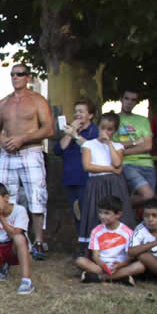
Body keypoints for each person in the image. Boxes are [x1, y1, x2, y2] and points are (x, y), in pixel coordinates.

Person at [0, 63, 55, 259]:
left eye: (20, 74)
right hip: (8, 154)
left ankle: (39, 242)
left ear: (28, 77)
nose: (16, 77)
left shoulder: (38, 100)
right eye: (13, 74)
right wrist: (3, 140)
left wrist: (22, 139)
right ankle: (7, 239)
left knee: (36, 196)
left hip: (30, 151)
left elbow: (49, 129)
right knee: (3, 195)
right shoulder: (4, 102)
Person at [78, 112, 136, 247]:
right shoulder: (89, 145)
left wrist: (109, 144)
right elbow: (87, 166)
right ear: (98, 127)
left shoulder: (118, 146)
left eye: (109, 129)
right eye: (102, 127)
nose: (105, 131)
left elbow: (117, 163)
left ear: (114, 131)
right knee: (96, 212)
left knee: (116, 211)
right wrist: (110, 169)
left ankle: (119, 244)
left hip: (115, 184)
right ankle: (94, 246)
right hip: (96, 183)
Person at [53, 99, 99, 254]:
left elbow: (94, 150)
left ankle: (91, 248)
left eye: (81, 111)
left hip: (87, 179)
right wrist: (71, 132)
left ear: (91, 115)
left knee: (89, 214)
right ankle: (82, 246)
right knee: (77, 213)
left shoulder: (95, 131)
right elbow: (59, 150)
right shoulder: (71, 130)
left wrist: (76, 136)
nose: (77, 114)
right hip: (70, 179)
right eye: (76, 111)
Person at [75, 195, 143, 285]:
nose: (102, 216)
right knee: (80, 261)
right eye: (100, 212)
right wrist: (103, 266)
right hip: (100, 266)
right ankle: (120, 278)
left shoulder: (128, 232)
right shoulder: (96, 231)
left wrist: (120, 265)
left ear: (118, 214)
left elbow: (129, 257)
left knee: (140, 266)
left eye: (106, 213)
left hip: (120, 266)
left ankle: (100, 277)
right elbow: (96, 256)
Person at [114, 89, 156, 206]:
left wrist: (123, 151)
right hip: (127, 165)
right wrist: (136, 142)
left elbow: (148, 145)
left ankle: (117, 209)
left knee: (148, 204)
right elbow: (111, 145)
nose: (129, 102)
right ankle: (115, 207)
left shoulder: (143, 120)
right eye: (127, 98)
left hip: (147, 165)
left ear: (137, 102)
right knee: (148, 195)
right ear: (121, 99)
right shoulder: (113, 119)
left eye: (133, 100)